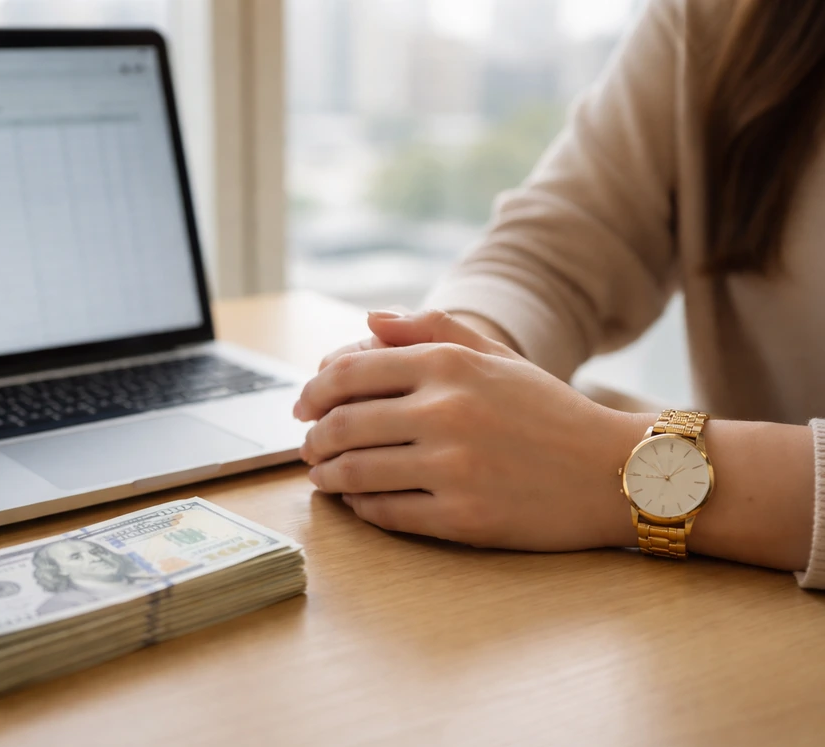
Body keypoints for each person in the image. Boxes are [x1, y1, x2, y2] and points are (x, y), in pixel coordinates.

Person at [293, 0, 825, 588]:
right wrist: (454, 360)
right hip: (738, 611)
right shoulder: (725, 16)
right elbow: (559, 243)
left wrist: (605, 465)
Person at [33, 539, 154, 615]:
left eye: (96, 551)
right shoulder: (59, 607)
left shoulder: (151, 579)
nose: (96, 558)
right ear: (59, 569)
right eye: (76, 557)